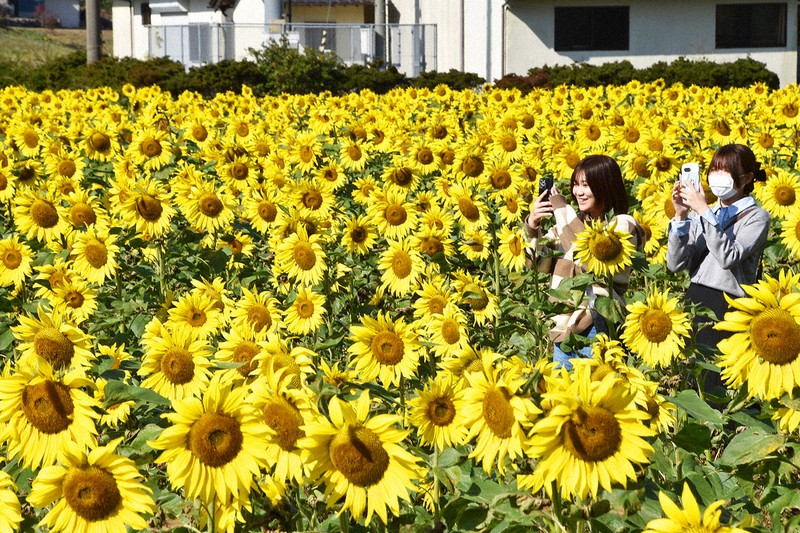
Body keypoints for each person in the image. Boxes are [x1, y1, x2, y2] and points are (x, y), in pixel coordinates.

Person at [525, 154, 644, 370]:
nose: (578, 192)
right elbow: (537, 264)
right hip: (563, 329)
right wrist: (533, 226)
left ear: (605, 186)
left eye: (586, 185)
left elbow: (590, 258)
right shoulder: (570, 226)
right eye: (575, 185)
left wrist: (561, 209)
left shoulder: (623, 224)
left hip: (597, 324)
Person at [666, 143, 769, 353]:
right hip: (694, 298)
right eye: (714, 168)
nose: (718, 175)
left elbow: (728, 257)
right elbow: (676, 264)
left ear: (747, 178)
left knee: (714, 377)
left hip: (727, 305)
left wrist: (703, 210)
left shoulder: (757, 217)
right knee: (691, 374)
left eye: (727, 170)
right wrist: (681, 216)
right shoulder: (701, 214)